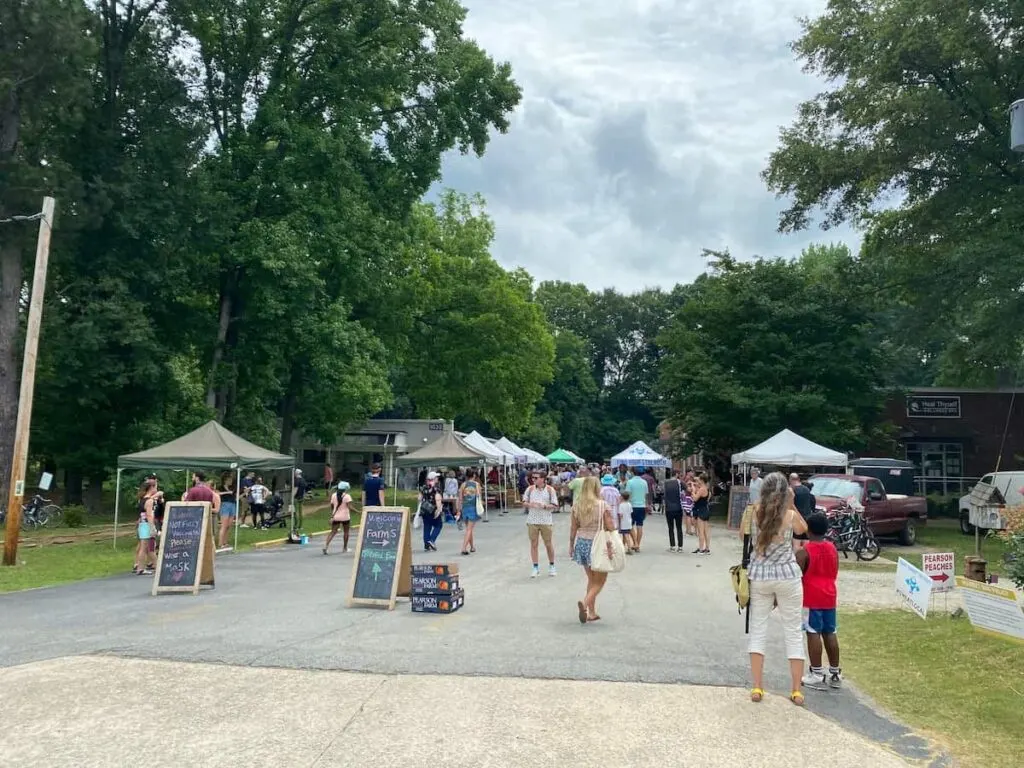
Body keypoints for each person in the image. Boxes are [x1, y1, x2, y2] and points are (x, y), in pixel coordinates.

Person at [747, 471, 809, 706]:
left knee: (758, 629)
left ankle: (757, 686)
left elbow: (747, 537)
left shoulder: (755, 511)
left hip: (761, 574)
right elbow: (803, 529)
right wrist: (791, 503)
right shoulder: (790, 514)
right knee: (793, 630)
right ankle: (795, 690)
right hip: (787, 575)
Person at [796, 513, 842, 690]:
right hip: (830, 594)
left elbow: (796, 574)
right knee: (830, 632)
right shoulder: (832, 548)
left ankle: (816, 672)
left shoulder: (805, 551)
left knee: (812, 631)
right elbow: (835, 568)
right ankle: (835, 671)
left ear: (809, 529)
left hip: (812, 596)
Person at [569, 476, 617, 623]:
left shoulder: (577, 506)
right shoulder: (603, 505)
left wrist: (571, 545)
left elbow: (573, 528)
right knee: (600, 581)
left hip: (582, 543)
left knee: (591, 579)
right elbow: (610, 526)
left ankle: (592, 612)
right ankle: (585, 604)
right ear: (597, 488)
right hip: (598, 544)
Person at [522, 470, 559, 577]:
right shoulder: (529, 489)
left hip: (546, 520)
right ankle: (535, 567)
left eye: (536, 478)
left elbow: (555, 505)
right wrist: (530, 504)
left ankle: (552, 565)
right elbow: (524, 502)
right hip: (532, 520)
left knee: (548, 543)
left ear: (543, 479)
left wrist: (544, 506)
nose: (533, 480)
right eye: (532, 478)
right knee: (534, 544)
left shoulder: (549, 490)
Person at [134, 479, 160, 575]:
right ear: (151, 488)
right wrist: (152, 527)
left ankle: (141, 567)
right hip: (146, 525)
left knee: (145, 547)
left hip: (142, 524)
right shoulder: (149, 501)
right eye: (155, 487)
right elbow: (149, 515)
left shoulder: (142, 499)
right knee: (147, 547)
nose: (156, 489)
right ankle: (142, 568)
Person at [323, 482, 353, 554]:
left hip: (336, 516)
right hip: (345, 517)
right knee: (346, 532)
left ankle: (326, 546)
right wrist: (359, 512)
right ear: (346, 489)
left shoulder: (334, 495)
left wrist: (332, 514)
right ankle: (345, 548)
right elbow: (350, 507)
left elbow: (332, 506)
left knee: (333, 531)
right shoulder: (347, 496)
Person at [458, 468, 483, 555]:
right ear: (474, 475)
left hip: (465, 508)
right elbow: (479, 497)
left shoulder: (463, 485)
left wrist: (458, 510)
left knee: (469, 529)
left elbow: (460, 499)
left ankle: (472, 546)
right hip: (473, 508)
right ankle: (463, 548)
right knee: (469, 529)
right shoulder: (477, 485)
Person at [625, 468, 649, 552]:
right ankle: (637, 544)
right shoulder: (644, 482)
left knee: (630, 525)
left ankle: (635, 542)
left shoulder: (630, 482)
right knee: (640, 525)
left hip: (632, 505)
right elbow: (646, 495)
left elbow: (627, 494)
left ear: (632, 473)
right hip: (641, 505)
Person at [418, 471, 444, 552]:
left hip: (425, 509)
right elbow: (438, 499)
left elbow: (419, 498)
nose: (437, 479)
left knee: (427, 527)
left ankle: (426, 545)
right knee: (438, 525)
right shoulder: (436, 488)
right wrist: (439, 510)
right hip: (433, 509)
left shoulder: (424, 487)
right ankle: (431, 541)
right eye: (436, 477)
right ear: (434, 479)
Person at [790, 473, 816, 549]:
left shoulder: (792, 491)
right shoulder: (807, 490)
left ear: (790, 480)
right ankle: (806, 559)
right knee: (806, 542)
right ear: (798, 479)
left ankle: (797, 560)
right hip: (807, 519)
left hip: (796, 519)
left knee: (796, 543)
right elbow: (811, 506)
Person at [689, 472, 711, 555]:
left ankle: (701, 549)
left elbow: (695, 499)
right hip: (705, 510)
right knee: (706, 531)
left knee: (700, 531)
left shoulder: (702, 489)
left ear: (702, 480)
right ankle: (707, 548)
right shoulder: (707, 488)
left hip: (701, 511)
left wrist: (693, 492)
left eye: (699, 480)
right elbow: (706, 500)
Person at [662, 470, 684, 552]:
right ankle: (680, 546)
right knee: (679, 527)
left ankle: (672, 546)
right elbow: (687, 490)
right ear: (677, 474)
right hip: (678, 508)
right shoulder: (680, 483)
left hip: (669, 508)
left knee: (670, 527)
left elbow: (664, 495)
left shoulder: (666, 483)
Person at [217, 474, 237, 550]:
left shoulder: (232, 488)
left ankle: (225, 542)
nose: (231, 481)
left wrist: (244, 493)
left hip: (232, 505)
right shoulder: (220, 487)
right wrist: (227, 492)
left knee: (229, 525)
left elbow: (236, 497)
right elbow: (217, 494)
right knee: (224, 525)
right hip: (225, 505)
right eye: (229, 480)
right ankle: (220, 543)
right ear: (225, 480)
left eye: (231, 480)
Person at [617, 490, 635, 554]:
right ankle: (622, 547)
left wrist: (619, 521)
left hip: (623, 522)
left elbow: (620, 515)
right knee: (624, 535)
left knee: (626, 535)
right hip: (629, 521)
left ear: (622, 497)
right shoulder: (629, 504)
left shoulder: (621, 505)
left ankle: (629, 549)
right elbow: (631, 512)